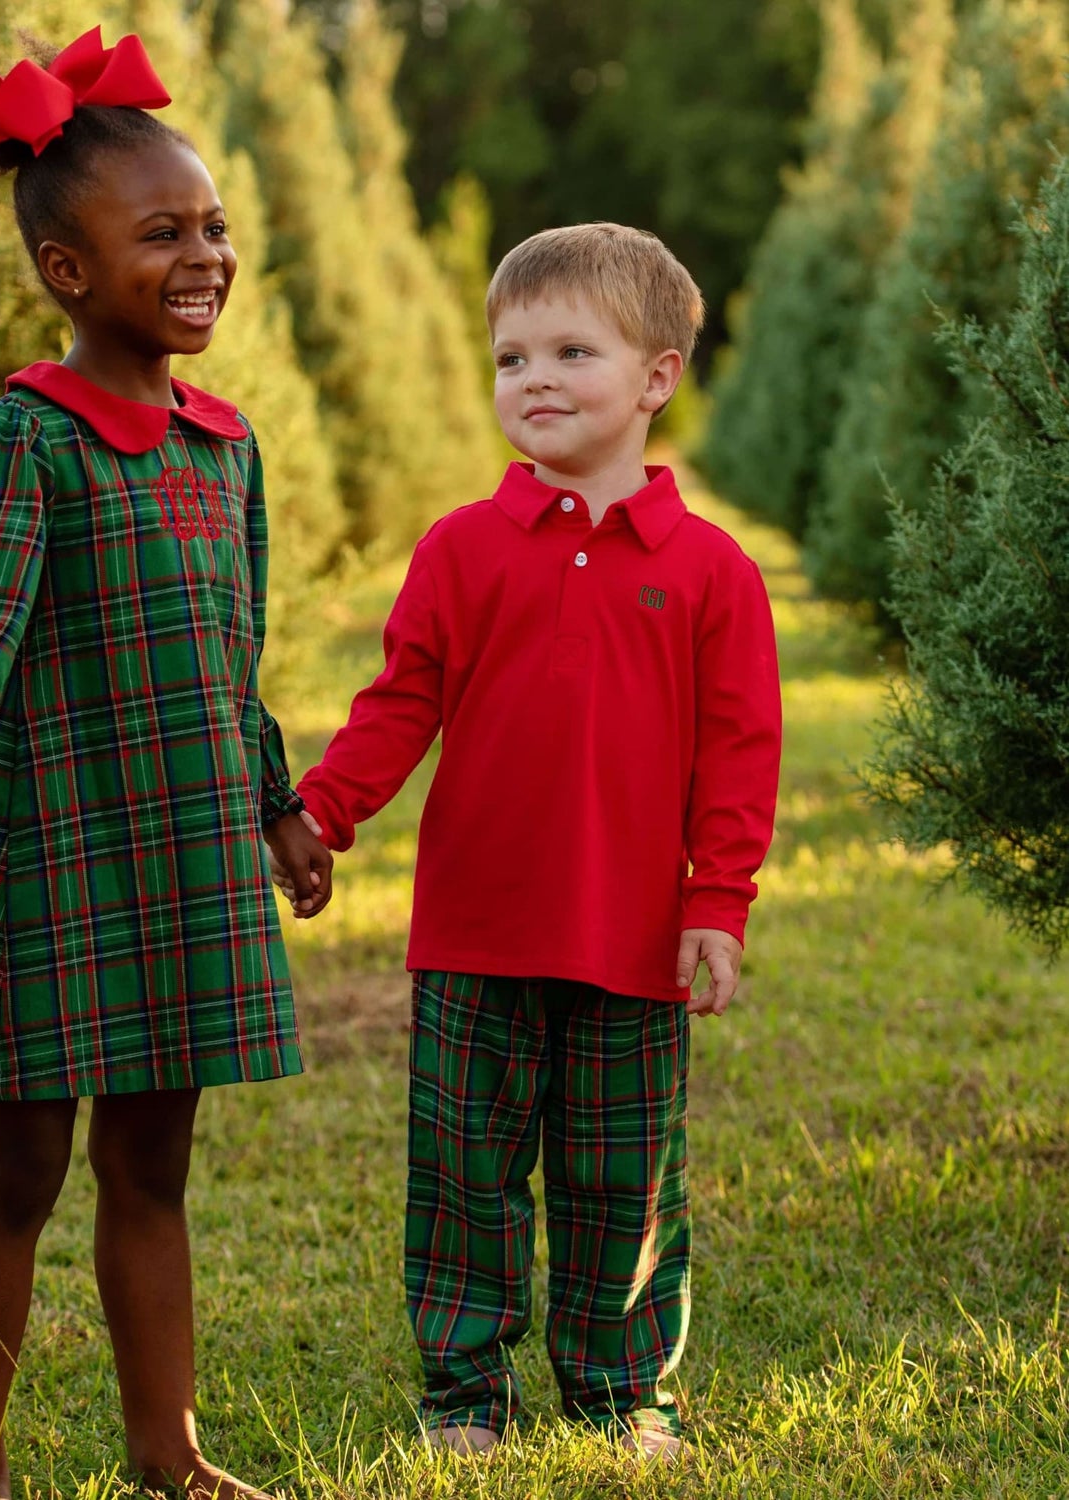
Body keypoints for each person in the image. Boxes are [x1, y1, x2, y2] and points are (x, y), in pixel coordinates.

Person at [0, 27, 333, 1500]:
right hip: (55, 863)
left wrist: (273, 804)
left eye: (213, 228)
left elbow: (230, 652)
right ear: (69, 273)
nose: (205, 256)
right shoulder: (29, 439)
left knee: (155, 1173)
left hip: (188, 858)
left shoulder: (224, 446)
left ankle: (168, 1457)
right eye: (163, 235)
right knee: (17, 1174)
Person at [271, 223, 781, 1460]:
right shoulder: (462, 549)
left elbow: (739, 755)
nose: (534, 380)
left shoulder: (713, 574)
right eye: (510, 358)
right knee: (465, 1178)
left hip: (631, 939)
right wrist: (321, 811)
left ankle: (621, 1394)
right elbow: (400, 703)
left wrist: (718, 901)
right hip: (475, 931)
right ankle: (463, 1394)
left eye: (571, 351)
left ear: (658, 377)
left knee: (623, 1183)